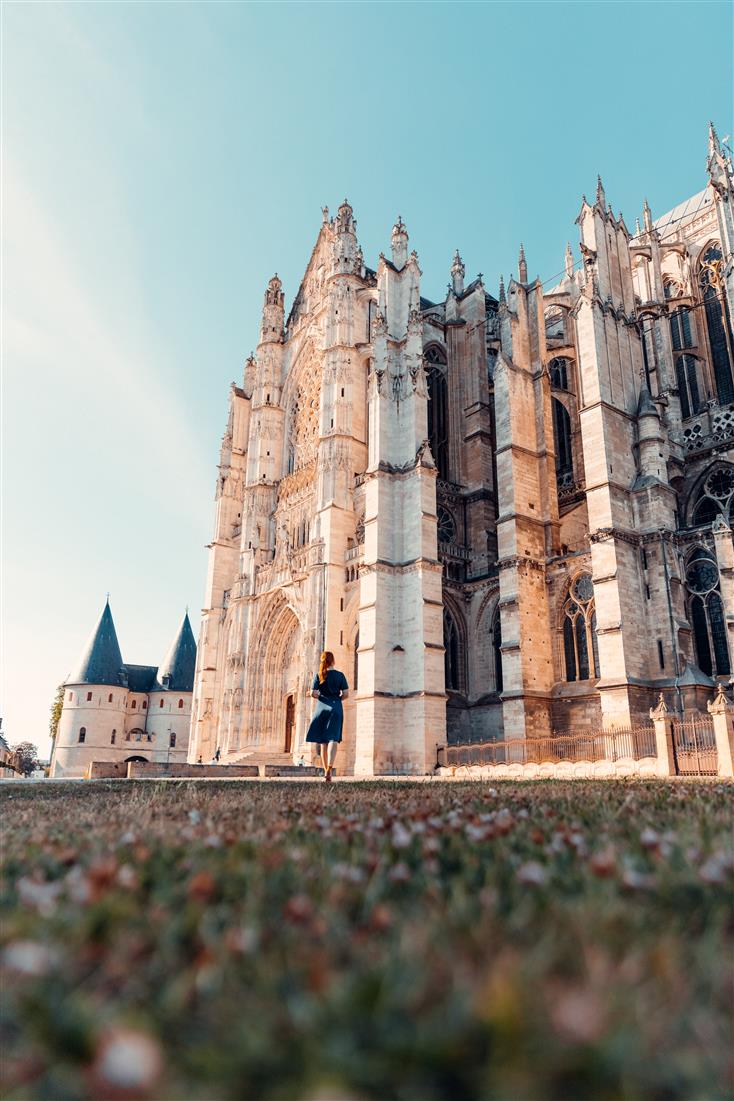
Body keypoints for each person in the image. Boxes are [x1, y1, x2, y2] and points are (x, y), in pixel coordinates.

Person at [305, 650, 348, 782]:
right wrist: (336, 699)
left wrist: (315, 695)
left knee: (323, 742)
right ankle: (329, 767)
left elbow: (314, 693)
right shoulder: (340, 675)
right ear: (333, 661)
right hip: (336, 707)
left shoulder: (319, 675)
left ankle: (325, 771)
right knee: (333, 739)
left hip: (322, 707)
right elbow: (346, 694)